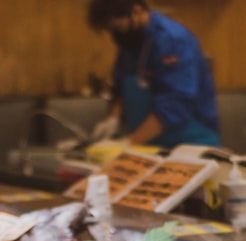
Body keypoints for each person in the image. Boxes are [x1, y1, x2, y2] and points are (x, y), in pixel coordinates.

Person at [88, 0, 220, 148]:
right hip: (148, 143)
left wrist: (129, 143)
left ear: (136, 12)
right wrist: (113, 119)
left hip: (191, 142)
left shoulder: (173, 40)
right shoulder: (129, 41)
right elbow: (121, 87)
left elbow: (175, 104)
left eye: (117, 27)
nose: (115, 34)